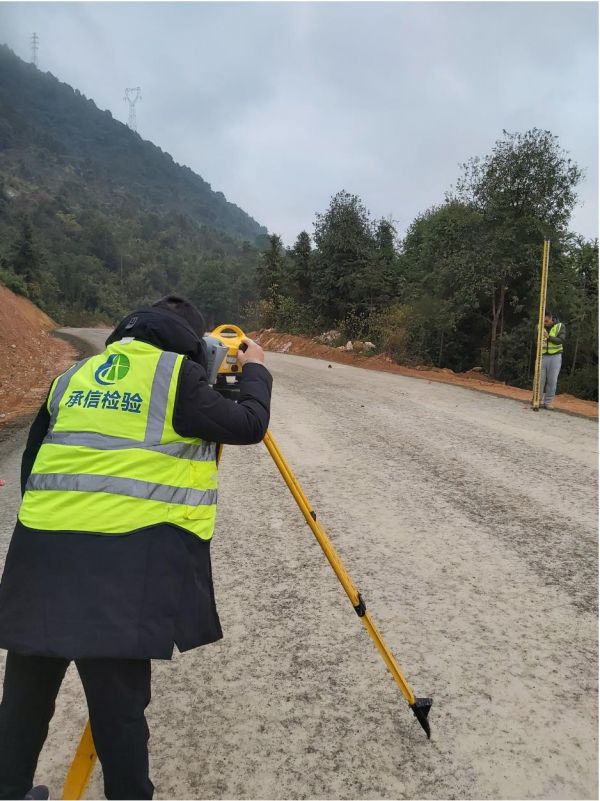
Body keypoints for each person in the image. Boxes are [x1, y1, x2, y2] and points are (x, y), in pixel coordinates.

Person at [0, 295, 272, 800]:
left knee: (22, 702)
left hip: (39, 560)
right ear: (192, 345)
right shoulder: (176, 376)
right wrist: (254, 369)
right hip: (121, 573)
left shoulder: (73, 376)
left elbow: (32, 469)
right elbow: (249, 425)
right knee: (119, 713)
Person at [540, 311, 566, 409]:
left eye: (546, 321)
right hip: (542, 356)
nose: (545, 323)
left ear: (551, 318)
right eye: (543, 321)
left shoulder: (560, 326)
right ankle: (538, 400)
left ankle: (548, 402)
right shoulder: (539, 326)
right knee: (539, 379)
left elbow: (561, 340)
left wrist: (548, 337)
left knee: (552, 380)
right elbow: (534, 339)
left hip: (555, 356)